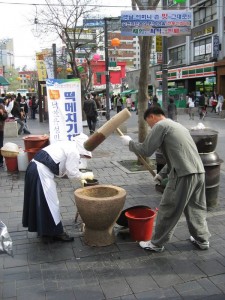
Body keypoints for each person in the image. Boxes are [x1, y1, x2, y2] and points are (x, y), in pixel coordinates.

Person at [121, 107, 210, 252]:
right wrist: (162, 174)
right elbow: (177, 155)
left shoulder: (161, 125)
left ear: (152, 117)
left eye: (148, 123)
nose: (150, 127)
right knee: (196, 208)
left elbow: (146, 150)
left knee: (168, 208)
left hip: (183, 175)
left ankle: (156, 243)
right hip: (198, 172)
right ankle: (202, 240)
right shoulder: (177, 126)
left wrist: (129, 143)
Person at [22, 133, 94, 242]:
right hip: (40, 172)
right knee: (51, 203)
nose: (83, 157)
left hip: (33, 168)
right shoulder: (74, 151)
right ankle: (57, 232)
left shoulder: (67, 144)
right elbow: (72, 173)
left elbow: (60, 168)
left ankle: (45, 231)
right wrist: (84, 175)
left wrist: (75, 174)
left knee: (41, 202)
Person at [0, 103, 8, 168]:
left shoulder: (1, 106)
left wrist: (2, 113)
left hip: (0, 130)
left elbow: (5, 116)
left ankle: (0, 162)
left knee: (0, 145)